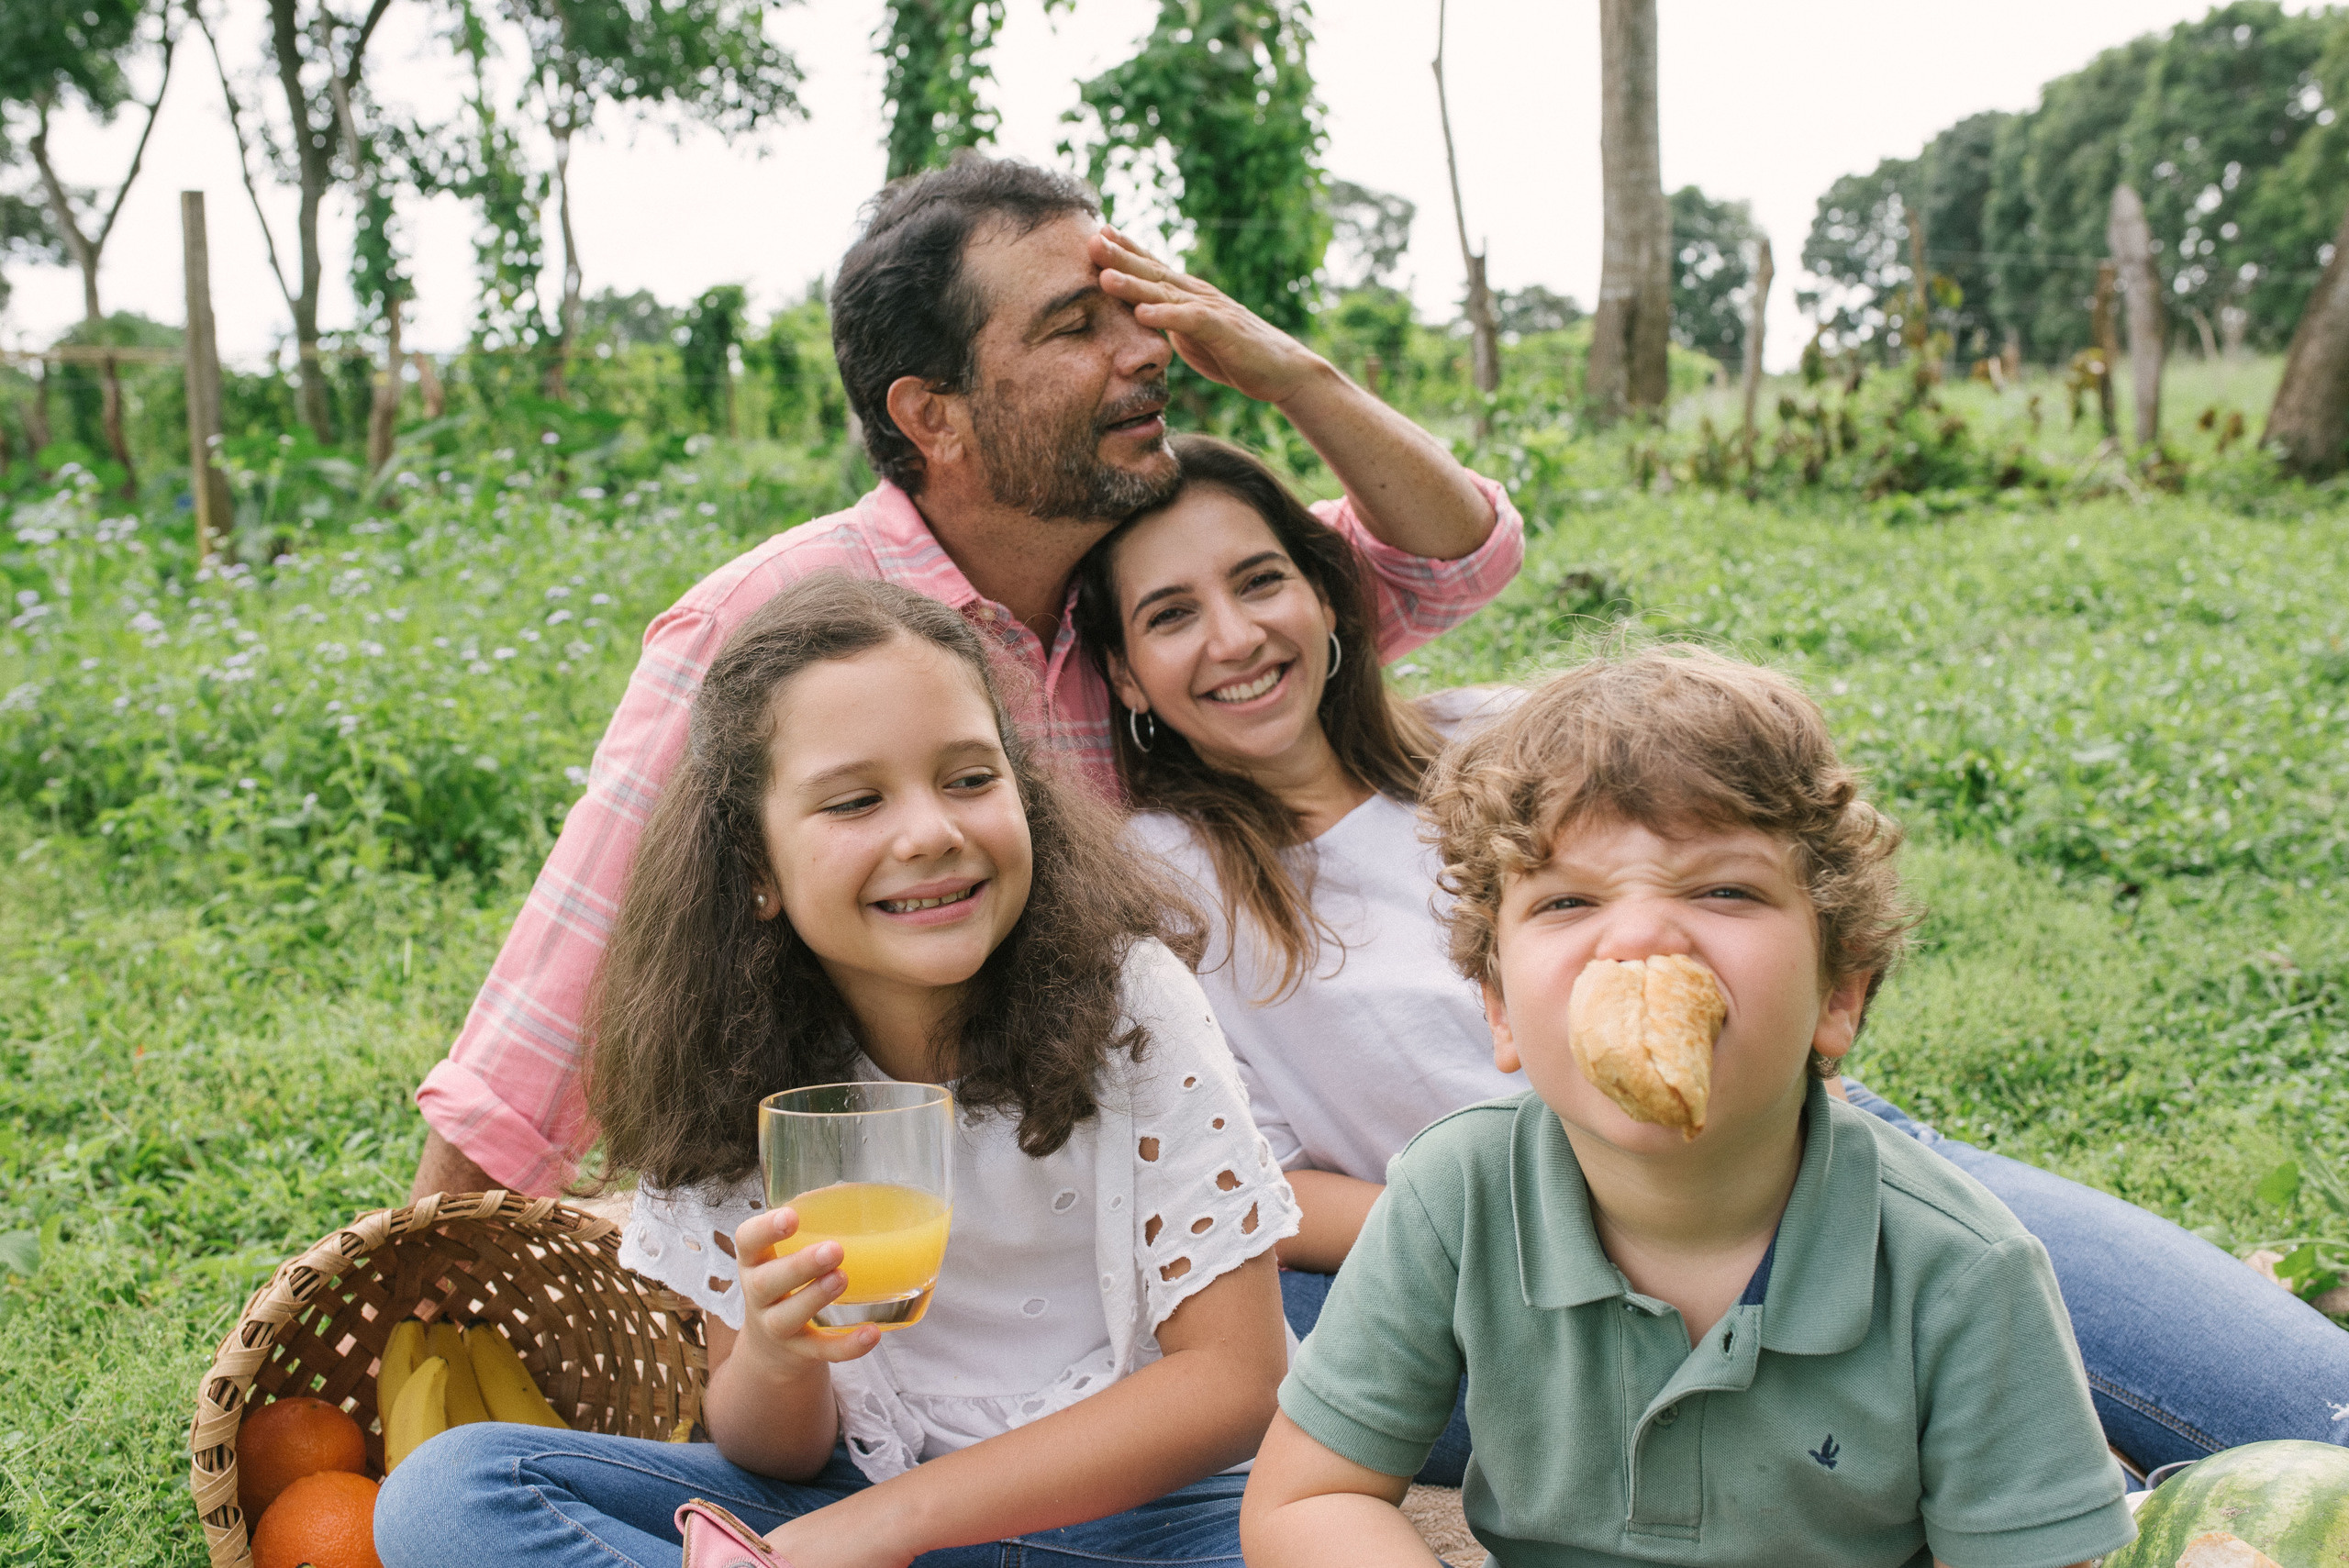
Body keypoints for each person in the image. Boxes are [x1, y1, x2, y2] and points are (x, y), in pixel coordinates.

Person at [1074, 435, 2349, 1479]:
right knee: (1996, 1471)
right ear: (1127, 673)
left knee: (2306, 1406)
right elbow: (1256, 1187)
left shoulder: (1513, 737)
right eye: (1171, 615)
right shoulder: (1158, 889)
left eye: (1259, 580)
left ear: (1323, 591)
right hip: (1509, 1276)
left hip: (1823, 1156)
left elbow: (1777, 898)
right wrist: (1579, 1210)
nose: (1234, 637)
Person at [411, 155, 1521, 1202]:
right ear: (930, 415)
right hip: (871, 1212)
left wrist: (1294, 376)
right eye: (1077, 326)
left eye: (1138, 310)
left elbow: (1451, 555)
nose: (1147, 350)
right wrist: (417, 1276)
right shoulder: (781, 617)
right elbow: (568, 982)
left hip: (1124, 1186)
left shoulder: (1127, 579)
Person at [376, 575, 1300, 1568]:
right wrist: (779, 1352)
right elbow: (774, 1447)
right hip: (848, 1486)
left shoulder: (1128, 998)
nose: (931, 831)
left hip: (1140, 1509)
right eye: (855, 800)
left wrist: (883, 1526)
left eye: (970, 778)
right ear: (757, 866)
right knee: (448, 1491)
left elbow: (1234, 1381)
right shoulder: (731, 1056)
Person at [1237, 648, 2139, 1568]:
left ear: (1839, 993)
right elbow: (1311, 1493)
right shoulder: (1455, 1194)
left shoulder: (1955, 1270)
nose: (1633, 939)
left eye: (1722, 889)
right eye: (1567, 900)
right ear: (1499, 1008)